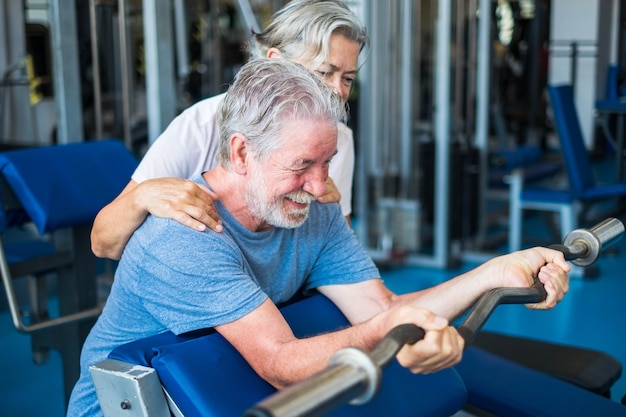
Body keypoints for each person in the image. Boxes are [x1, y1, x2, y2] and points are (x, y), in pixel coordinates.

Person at [67, 58, 570, 417]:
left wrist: (492, 275)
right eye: (302, 164)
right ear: (241, 154)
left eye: (327, 161)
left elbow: (378, 309)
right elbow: (280, 363)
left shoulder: (312, 209)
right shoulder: (186, 236)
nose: (319, 184)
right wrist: (391, 327)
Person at [90, 0, 367, 260]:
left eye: (348, 79)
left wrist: (332, 210)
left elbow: (338, 257)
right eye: (323, 73)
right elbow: (103, 243)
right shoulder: (200, 125)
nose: (336, 90)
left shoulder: (338, 139)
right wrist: (143, 197)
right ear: (275, 62)